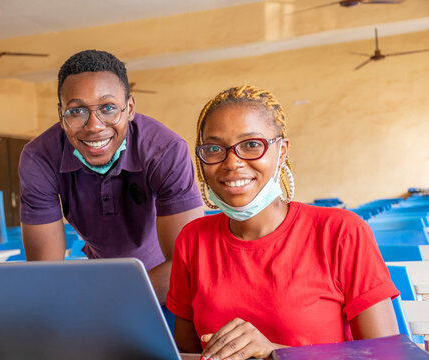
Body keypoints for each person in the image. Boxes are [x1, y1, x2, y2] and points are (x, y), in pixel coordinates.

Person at [166, 85, 399, 359]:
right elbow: (185, 354)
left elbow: (388, 356)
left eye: (252, 145)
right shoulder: (193, 239)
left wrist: (274, 353)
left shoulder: (341, 232)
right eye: (215, 148)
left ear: (282, 151)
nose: (232, 163)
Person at [18, 50, 203, 303]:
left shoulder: (165, 150)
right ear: (61, 115)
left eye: (108, 108)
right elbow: (45, 272)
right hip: (100, 280)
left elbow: (186, 265)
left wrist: (108, 304)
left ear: (129, 108)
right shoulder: (39, 158)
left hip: (166, 284)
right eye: (76, 111)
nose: (94, 125)